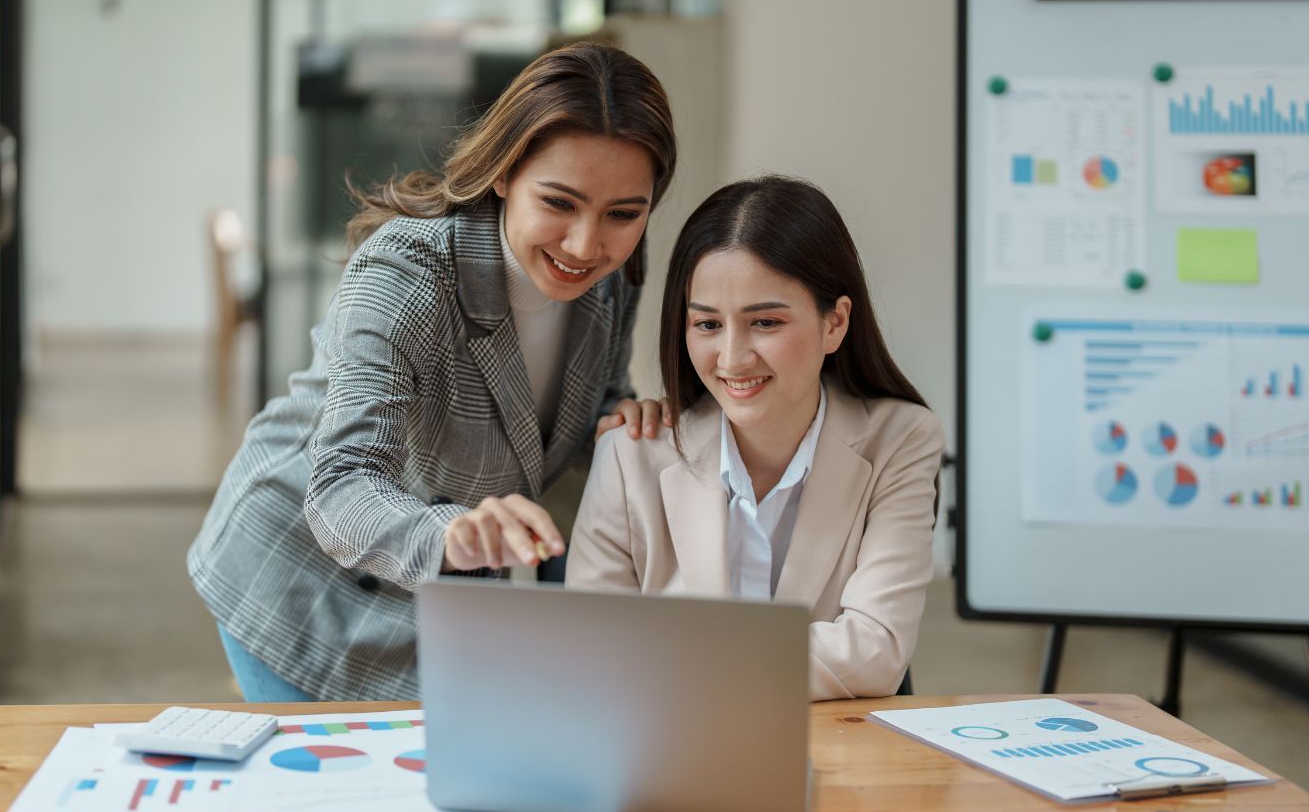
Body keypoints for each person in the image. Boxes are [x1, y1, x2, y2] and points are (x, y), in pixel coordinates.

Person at [190, 42, 677, 701]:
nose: (586, 245)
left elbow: (588, 401)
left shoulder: (615, 278)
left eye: (624, 213)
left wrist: (623, 419)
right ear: (504, 173)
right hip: (296, 577)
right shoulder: (407, 277)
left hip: (435, 596)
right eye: (559, 203)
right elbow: (341, 488)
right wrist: (452, 533)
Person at [565, 175, 944, 700]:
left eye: (764, 322)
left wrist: (668, 658)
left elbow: (874, 653)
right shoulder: (631, 452)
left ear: (835, 323)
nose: (732, 359)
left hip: (837, 758)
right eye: (707, 325)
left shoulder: (900, 440)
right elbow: (589, 653)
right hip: (672, 760)